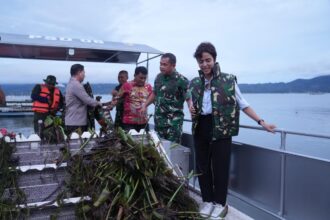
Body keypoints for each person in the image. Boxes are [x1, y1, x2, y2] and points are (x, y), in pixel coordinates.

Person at [189, 42, 276, 218]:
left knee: (220, 167)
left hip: (222, 129)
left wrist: (262, 122)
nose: (204, 64)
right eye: (201, 61)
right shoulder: (195, 83)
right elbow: (193, 103)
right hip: (201, 128)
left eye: (208, 60)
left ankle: (220, 203)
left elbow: (242, 104)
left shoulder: (228, 80)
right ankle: (207, 201)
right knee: (202, 167)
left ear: (214, 59)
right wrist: (192, 109)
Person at [142, 53, 191, 143]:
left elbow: (188, 97)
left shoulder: (181, 80)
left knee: (172, 151)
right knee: (160, 150)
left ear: (173, 65)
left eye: (165, 64)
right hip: (159, 122)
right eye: (160, 64)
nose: (161, 67)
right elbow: (155, 93)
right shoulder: (158, 77)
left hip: (173, 124)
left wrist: (191, 108)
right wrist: (145, 105)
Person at [65, 64, 101, 136]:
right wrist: (99, 103)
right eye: (84, 72)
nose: (84, 75)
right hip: (76, 123)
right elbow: (87, 100)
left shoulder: (71, 83)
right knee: (77, 145)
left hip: (73, 121)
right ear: (79, 72)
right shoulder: (76, 85)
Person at [114, 66, 152, 132]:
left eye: (144, 78)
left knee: (146, 141)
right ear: (135, 75)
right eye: (141, 78)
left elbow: (153, 99)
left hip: (143, 122)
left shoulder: (148, 86)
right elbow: (116, 98)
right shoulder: (127, 85)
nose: (143, 80)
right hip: (128, 123)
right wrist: (110, 106)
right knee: (127, 142)